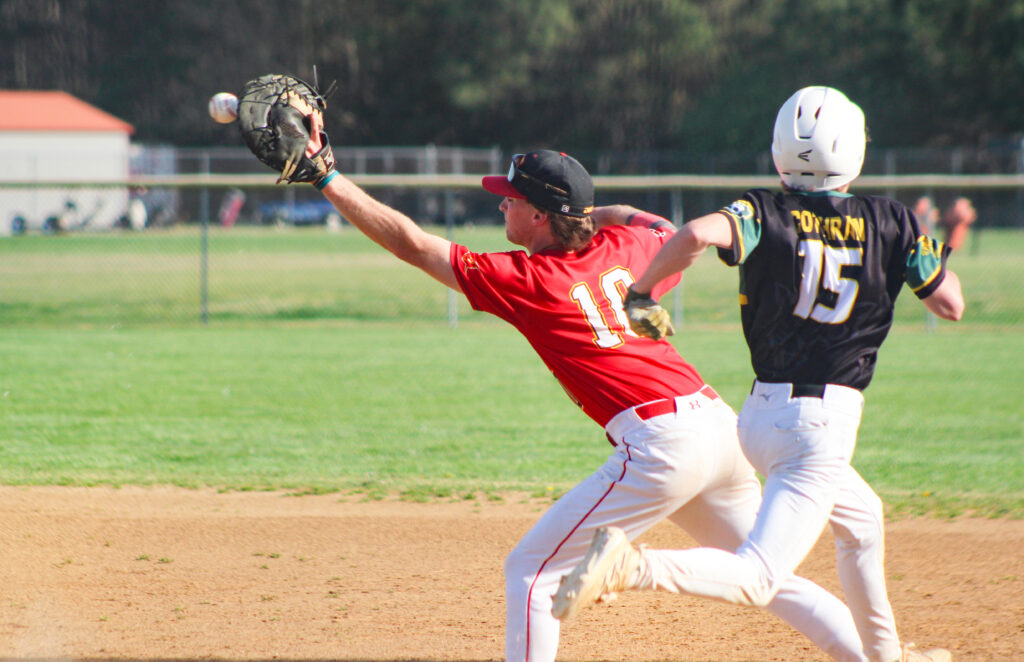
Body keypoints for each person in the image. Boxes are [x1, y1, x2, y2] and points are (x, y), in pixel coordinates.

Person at [287, 122, 873, 660]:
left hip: (664, 443)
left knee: (532, 573)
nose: (502, 203)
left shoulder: (528, 279)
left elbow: (413, 245)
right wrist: (589, 213)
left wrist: (326, 177)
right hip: (721, 430)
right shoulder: (632, 247)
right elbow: (652, 224)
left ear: (541, 216)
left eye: (513, 198)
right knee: (768, 577)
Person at [553, 86, 964, 662]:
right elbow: (950, 304)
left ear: (779, 150)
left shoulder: (762, 211)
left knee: (864, 522)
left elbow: (694, 235)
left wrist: (641, 294)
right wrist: (922, 252)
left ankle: (886, 658)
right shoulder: (891, 220)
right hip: (819, 428)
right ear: (854, 149)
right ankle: (633, 566)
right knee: (759, 575)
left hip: (759, 418)